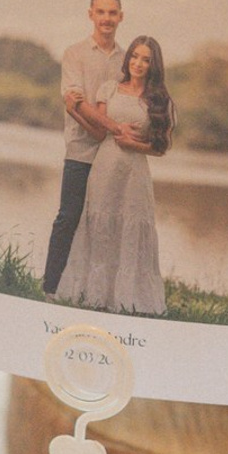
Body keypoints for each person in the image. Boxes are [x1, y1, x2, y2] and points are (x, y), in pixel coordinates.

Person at [55, 34, 173, 317]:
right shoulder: (109, 89)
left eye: (146, 59)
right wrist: (74, 111)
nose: (138, 63)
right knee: (100, 226)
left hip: (135, 175)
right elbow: (98, 132)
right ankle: (95, 294)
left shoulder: (159, 100)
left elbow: (161, 148)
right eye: (134, 56)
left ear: (154, 65)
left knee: (130, 227)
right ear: (127, 58)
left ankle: (128, 298)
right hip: (105, 169)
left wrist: (133, 144)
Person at [41, 0, 135, 297]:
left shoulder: (127, 60)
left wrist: (113, 130)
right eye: (101, 12)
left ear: (120, 17)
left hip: (116, 153)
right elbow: (75, 103)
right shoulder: (74, 54)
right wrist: (112, 126)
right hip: (81, 150)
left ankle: (96, 291)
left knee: (106, 225)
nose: (106, 18)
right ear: (90, 14)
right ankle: (51, 288)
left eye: (112, 13)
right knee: (69, 217)